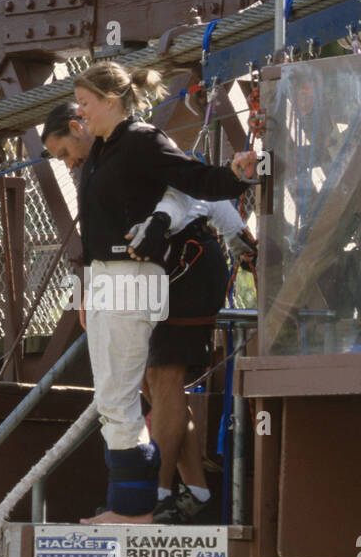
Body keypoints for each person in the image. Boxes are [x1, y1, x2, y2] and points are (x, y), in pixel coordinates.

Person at [44, 63, 256, 525]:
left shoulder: (142, 140)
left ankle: (141, 503)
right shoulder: (101, 150)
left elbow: (193, 181)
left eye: (84, 102)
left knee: (134, 392)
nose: (79, 112)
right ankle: (145, 498)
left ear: (109, 100)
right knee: (117, 397)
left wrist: (236, 177)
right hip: (110, 276)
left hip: (148, 275)